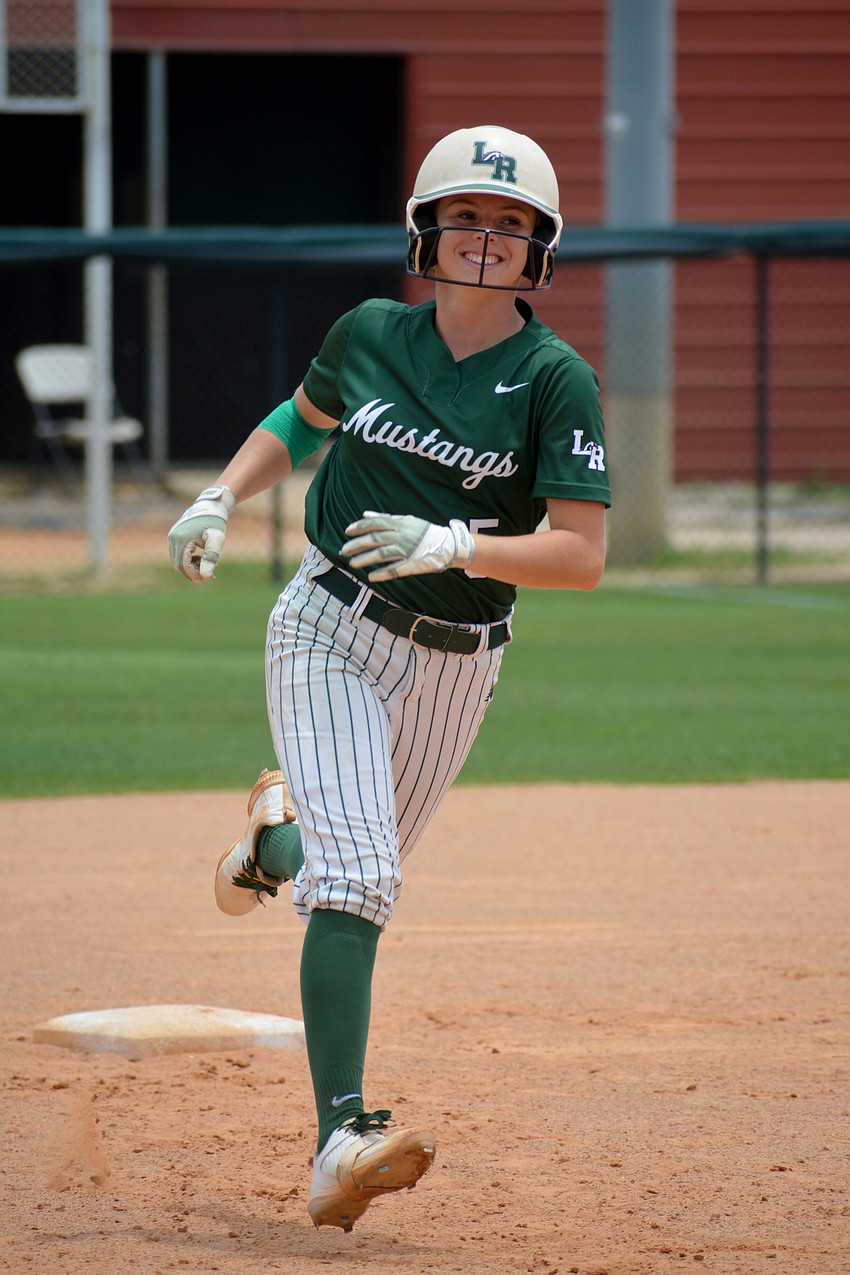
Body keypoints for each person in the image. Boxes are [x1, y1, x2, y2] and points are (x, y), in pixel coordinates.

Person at [167, 125, 611, 1232]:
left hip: (459, 665)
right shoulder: (367, 333)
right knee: (361, 881)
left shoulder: (554, 379)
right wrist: (224, 493)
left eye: (510, 224)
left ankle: (271, 842)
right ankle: (340, 1139)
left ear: (538, 249)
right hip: (328, 624)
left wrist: (459, 546)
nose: (484, 238)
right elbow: (297, 421)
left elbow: (582, 554)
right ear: (426, 230)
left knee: (339, 875)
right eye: (465, 215)